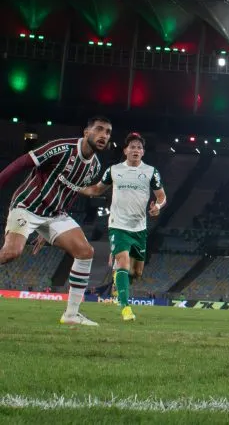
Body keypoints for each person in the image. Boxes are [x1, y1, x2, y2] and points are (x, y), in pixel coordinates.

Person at [0, 116, 111, 325]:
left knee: (86, 252)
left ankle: (71, 315)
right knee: (11, 253)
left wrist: (48, 232)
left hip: (55, 214)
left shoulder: (94, 167)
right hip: (28, 206)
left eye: (108, 132)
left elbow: (71, 192)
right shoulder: (61, 147)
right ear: (87, 133)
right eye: (100, 129)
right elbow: (21, 163)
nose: (104, 135)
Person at [77, 132, 167, 322]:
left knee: (137, 272)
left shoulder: (151, 172)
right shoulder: (114, 170)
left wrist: (157, 207)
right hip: (118, 225)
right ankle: (126, 307)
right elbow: (97, 190)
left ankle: (120, 278)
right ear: (125, 150)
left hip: (140, 228)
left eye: (139, 147)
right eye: (132, 147)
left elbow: (161, 197)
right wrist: (75, 187)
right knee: (123, 263)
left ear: (143, 152)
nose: (136, 150)